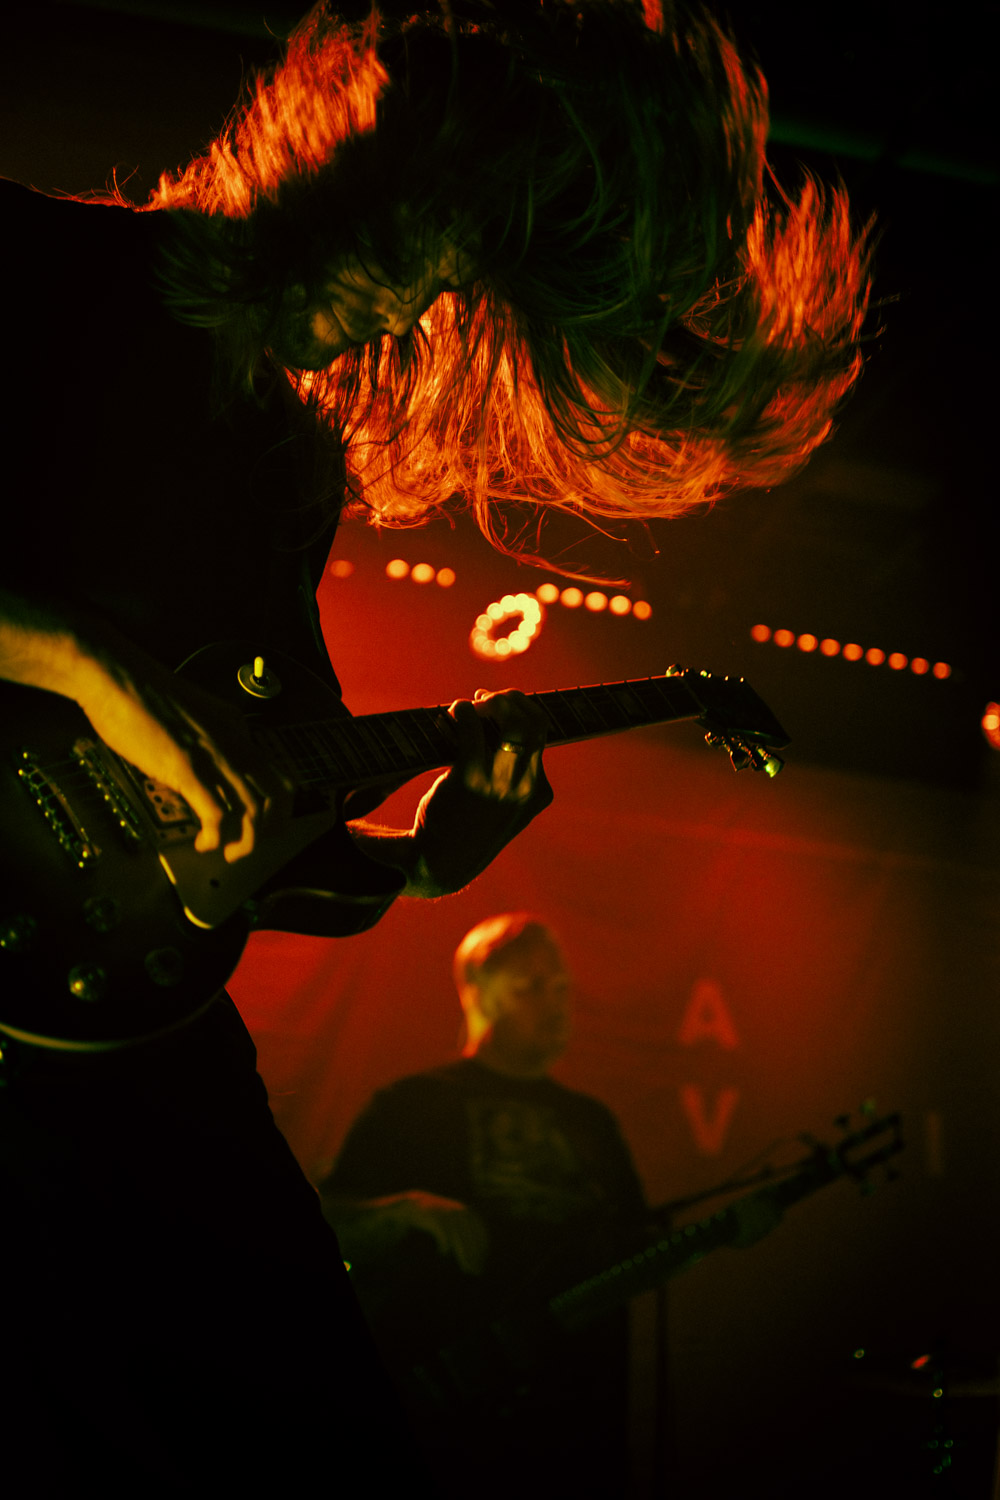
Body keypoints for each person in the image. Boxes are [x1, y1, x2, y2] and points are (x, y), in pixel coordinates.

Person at [0, 0, 869, 1490]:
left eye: (445, 276)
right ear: (331, 155)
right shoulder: (44, 269)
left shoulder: (283, 464)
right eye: (404, 235)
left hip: (125, 1036)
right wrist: (82, 663)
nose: (398, 296)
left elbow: (266, 816)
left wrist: (421, 859)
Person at [319, 915, 649, 1497]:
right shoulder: (413, 1106)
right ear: (477, 993)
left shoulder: (593, 1123)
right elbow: (324, 1228)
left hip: (572, 1426)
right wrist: (406, 1209)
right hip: (449, 1421)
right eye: (532, 987)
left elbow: (638, 1242)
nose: (556, 1005)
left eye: (562, 988)